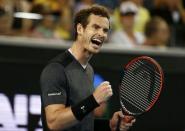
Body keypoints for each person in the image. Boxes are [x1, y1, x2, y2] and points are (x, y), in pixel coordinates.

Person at [40, 5, 135, 131]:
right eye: (95, 27)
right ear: (80, 29)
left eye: (105, 30)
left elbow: (82, 123)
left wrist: (109, 125)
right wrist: (93, 100)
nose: (101, 34)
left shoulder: (89, 70)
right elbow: (54, 122)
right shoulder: (56, 69)